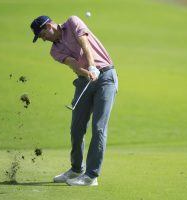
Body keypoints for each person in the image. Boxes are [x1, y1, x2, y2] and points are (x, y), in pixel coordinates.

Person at [30, 15, 118, 186]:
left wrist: (92, 65)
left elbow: (84, 43)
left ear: (49, 26)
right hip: (84, 80)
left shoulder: (73, 22)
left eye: (42, 35)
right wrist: (87, 72)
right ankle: (76, 169)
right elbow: (72, 63)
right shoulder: (54, 51)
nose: (43, 39)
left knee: (99, 127)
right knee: (76, 128)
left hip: (106, 77)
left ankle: (91, 176)